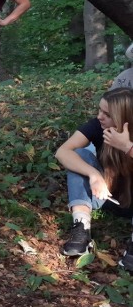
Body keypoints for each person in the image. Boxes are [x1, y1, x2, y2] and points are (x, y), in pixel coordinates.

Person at [55, 87, 133, 271]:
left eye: (107, 113)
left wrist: (127, 147)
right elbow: (62, 152)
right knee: (80, 154)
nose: (99, 116)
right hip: (106, 196)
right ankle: (81, 229)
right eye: (99, 110)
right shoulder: (98, 126)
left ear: (124, 117)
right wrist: (94, 174)